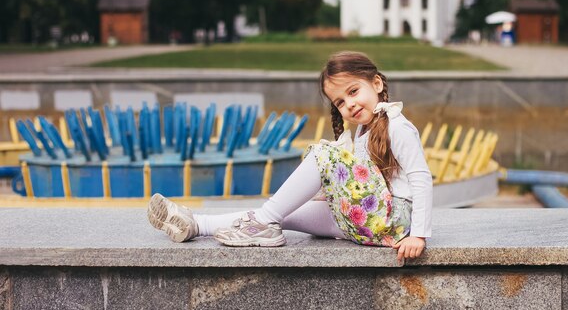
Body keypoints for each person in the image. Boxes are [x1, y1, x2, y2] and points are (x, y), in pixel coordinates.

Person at [147, 51, 433, 261]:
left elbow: (421, 179)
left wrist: (418, 235)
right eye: (341, 102)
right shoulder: (361, 132)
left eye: (354, 91)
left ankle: (262, 221)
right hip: (369, 221)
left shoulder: (397, 125)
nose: (350, 104)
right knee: (280, 214)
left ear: (378, 84)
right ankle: (196, 225)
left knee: (324, 153)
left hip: (393, 220)